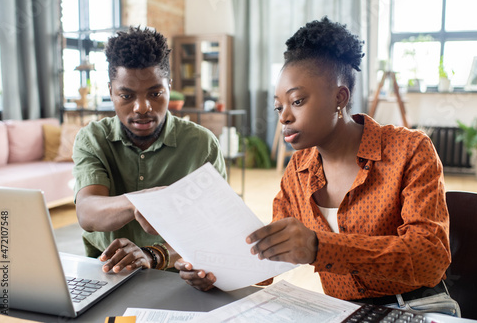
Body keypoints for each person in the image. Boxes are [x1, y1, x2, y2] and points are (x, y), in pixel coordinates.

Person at [185, 17, 460, 315]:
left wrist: (319, 247)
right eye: (279, 107)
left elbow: (429, 259)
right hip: (344, 313)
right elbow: (267, 263)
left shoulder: (410, 150)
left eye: (297, 101)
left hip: (418, 306)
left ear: (339, 98)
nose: (284, 117)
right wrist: (213, 274)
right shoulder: (298, 170)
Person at [72, 26, 225, 280]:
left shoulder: (201, 144)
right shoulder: (93, 139)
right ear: (111, 91)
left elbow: (213, 228)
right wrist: (142, 201)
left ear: (169, 87)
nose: (142, 108)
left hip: (179, 276)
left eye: (155, 94)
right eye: (126, 95)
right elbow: (87, 213)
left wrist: (155, 254)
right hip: (106, 273)